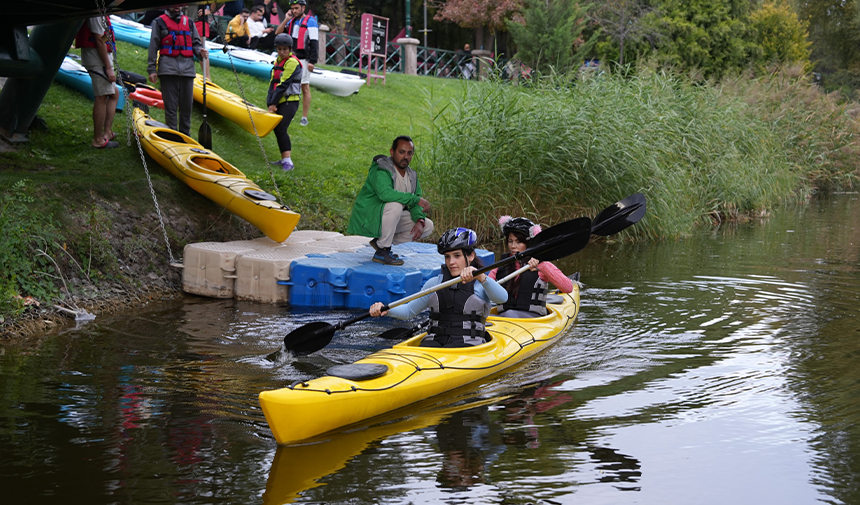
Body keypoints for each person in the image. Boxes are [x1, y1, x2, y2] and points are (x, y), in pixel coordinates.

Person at [370, 228, 508, 347]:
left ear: (471, 256)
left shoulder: (481, 283)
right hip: (435, 343)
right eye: (447, 257)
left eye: (457, 256)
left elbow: (502, 298)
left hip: (469, 346)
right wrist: (386, 309)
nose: (451, 262)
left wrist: (481, 277)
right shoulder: (435, 283)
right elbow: (409, 311)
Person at [346, 136, 434, 265]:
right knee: (395, 205)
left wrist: (420, 220)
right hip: (369, 217)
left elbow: (415, 203)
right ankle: (383, 251)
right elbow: (385, 194)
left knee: (428, 226)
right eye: (401, 152)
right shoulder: (381, 169)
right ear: (392, 152)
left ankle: (380, 242)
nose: (405, 157)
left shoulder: (411, 175)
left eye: (409, 153)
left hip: (387, 219)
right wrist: (415, 199)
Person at [487, 216, 574, 318]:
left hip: (533, 319)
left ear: (528, 243)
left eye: (518, 242)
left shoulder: (541, 264)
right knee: (509, 313)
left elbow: (568, 288)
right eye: (510, 241)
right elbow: (484, 291)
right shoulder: (500, 265)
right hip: (505, 318)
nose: (513, 246)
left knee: (510, 313)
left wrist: (542, 266)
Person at [147, 5, 209, 136]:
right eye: (174, 5)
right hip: (168, 69)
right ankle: (172, 134)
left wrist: (200, 51)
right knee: (171, 107)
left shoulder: (189, 22)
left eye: (179, 5)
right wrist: (152, 69)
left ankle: (185, 135)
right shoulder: (159, 22)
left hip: (187, 70)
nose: (177, 7)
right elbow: (153, 46)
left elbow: (196, 44)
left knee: (187, 107)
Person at [75, 16, 119, 148]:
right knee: (101, 97)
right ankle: (98, 140)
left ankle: (107, 133)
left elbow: (103, 37)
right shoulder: (96, 14)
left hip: (100, 59)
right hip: (97, 60)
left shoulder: (101, 11)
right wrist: (108, 68)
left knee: (114, 94)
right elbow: (99, 40)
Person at [275, 0, 318, 126]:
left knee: (304, 86)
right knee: (287, 84)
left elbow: (314, 42)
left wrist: (312, 61)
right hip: (290, 58)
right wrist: (286, 19)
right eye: (292, 8)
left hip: (304, 59)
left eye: (296, 8)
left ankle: (304, 117)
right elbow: (278, 33)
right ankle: (287, 112)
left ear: (303, 7)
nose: (294, 11)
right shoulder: (291, 21)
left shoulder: (310, 21)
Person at [266, 33, 302, 171]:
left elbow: (283, 84)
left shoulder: (292, 62)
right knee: (278, 129)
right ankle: (284, 159)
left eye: (285, 49)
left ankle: (288, 162)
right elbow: (273, 83)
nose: (282, 52)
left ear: (290, 49)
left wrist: (273, 103)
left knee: (281, 128)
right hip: (278, 100)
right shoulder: (277, 61)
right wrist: (269, 101)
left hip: (289, 102)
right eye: (279, 49)